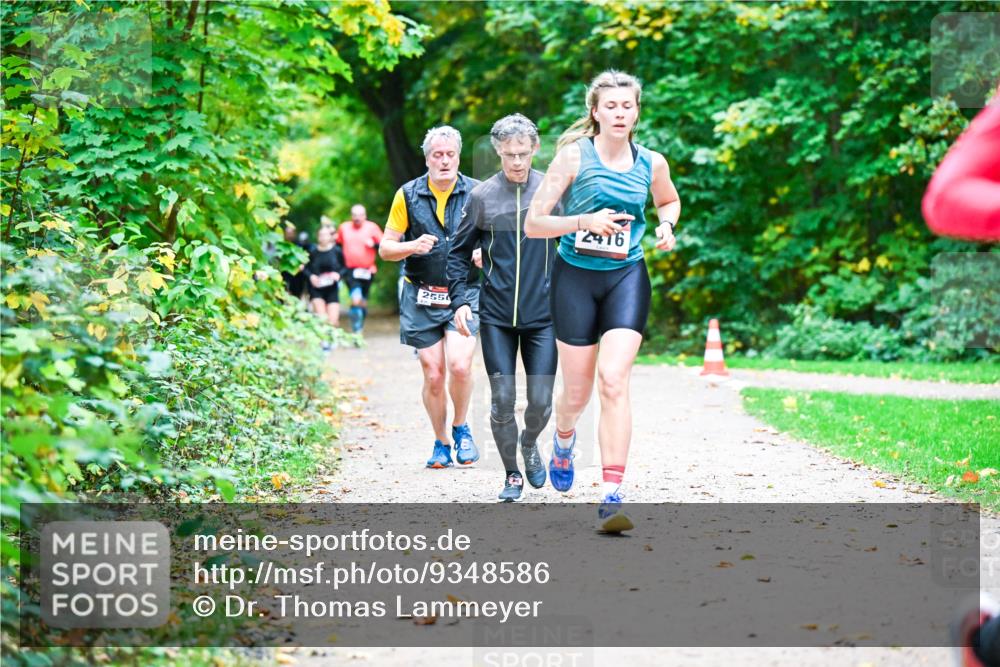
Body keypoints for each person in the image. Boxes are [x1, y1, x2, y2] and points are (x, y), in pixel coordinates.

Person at [525, 70, 681, 532]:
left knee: (613, 380)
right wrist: (583, 221)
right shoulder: (574, 157)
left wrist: (666, 226)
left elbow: (668, 201)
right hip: (574, 278)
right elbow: (534, 223)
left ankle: (611, 495)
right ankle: (564, 439)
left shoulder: (652, 162)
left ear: (636, 113)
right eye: (610, 106)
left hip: (626, 276)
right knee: (575, 393)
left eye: (627, 106)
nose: (619, 113)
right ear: (595, 111)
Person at [448, 113, 557, 502]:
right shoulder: (482, 197)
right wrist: (460, 300)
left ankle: (529, 442)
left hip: (544, 316)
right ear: (498, 152)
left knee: (541, 401)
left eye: (523, 153)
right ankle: (512, 474)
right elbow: (457, 253)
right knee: (502, 399)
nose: (517, 161)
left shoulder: (552, 192)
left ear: (534, 149)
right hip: (496, 316)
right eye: (509, 154)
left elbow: (574, 248)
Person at [379, 126, 482, 469]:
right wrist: (411, 245)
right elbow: (385, 248)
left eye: (450, 154)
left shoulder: (477, 193)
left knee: (460, 365)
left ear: (459, 157)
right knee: (434, 373)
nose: (445, 161)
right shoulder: (407, 195)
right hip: (421, 294)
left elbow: (500, 241)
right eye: (438, 155)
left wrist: (485, 252)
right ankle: (441, 443)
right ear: (427, 159)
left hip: (465, 293)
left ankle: (461, 427)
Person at [336, 204, 384, 333]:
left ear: (365, 216)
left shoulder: (372, 227)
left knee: (363, 301)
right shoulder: (344, 227)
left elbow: (384, 246)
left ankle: (359, 325)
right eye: (354, 215)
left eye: (360, 215)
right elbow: (337, 246)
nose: (357, 217)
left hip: (368, 270)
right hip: (350, 270)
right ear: (351, 216)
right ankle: (356, 330)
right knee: (355, 298)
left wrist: (374, 244)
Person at [304, 222, 344, 350]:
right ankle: (324, 341)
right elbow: (305, 268)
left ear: (330, 236)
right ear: (317, 237)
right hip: (316, 289)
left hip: (332, 289)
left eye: (326, 235)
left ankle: (332, 338)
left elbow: (345, 268)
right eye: (321, 235)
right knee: (321, 317)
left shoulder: (337, 251)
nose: (323, 237)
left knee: (333, 320)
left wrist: (338, 275)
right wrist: (311, 276)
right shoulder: (312, 251)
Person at [280, 223, 308, 299]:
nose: (289, 235)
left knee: (296, 294)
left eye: (291, 233)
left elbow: (305, 259)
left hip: (297, 275)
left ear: (294, 234)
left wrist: (302, 265)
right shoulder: (280, 245)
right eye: (287, 233)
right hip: (284, 273)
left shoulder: (300, 246)